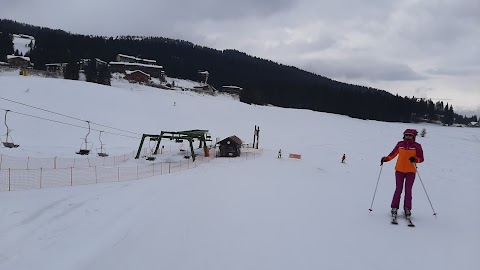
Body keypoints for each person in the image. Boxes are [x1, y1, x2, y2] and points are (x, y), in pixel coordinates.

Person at [380, 129, 424, 218]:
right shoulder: (400, 144)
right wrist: (386, 159)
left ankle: (407, 209)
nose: (408, 137)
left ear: (413, 136)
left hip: (411, 171)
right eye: (406, 135)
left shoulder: (417, 146)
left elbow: (421, 158)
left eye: (410, 135)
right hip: (399, 170)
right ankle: (394, 208)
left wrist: (415, 159)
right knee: (398, 189)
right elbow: (393, 154)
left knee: (408, 191)